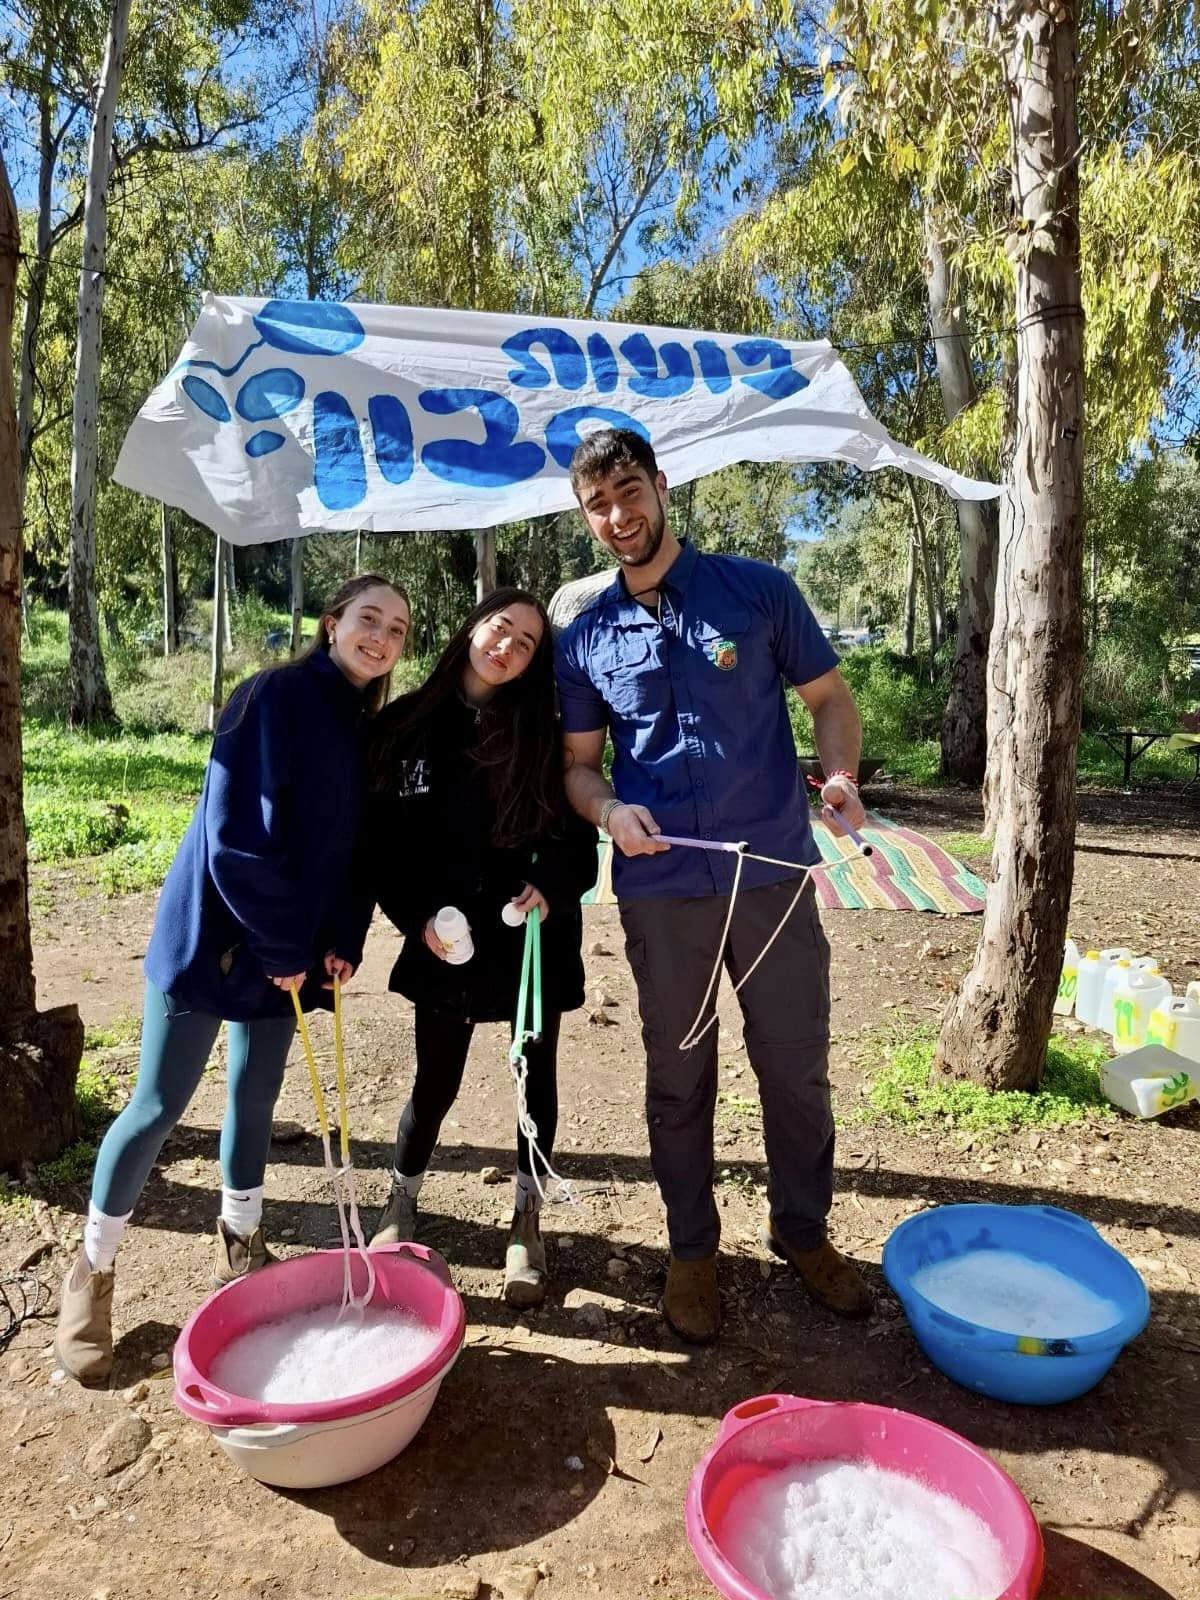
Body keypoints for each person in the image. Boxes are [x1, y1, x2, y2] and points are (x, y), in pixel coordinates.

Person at [554, 427, 872, 1345]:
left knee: (795, 1064)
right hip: (663, 892)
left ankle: (802, 1231)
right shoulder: (587, 637)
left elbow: (830, 700)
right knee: (679, 1074)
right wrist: (609, 810)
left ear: (661, 485)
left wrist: (839, 776)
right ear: (587, 519)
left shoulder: (758, 592)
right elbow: (579, 767)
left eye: (629, 491)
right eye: (598, 505)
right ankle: (691, 1249)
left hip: (771, 875)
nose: (618, 516)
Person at [54, 575, 412, 1387]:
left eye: (397, 629)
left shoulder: (367, 726)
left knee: (255, 1097)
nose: (382, 638)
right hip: (214, 940)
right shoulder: (271, 698)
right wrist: (282, 942)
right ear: (331, 624)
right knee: (157, 1105)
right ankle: (92, 1272)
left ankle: (240, 1244)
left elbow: (358, 851)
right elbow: (233, 837)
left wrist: (343, 937)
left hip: (290, 953)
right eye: (368, 619)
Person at [362, 588, 597, 1308]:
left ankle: (527, 1216)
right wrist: (415, 920)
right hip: (444, 940)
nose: (508, 648)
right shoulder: (404, 726)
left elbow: (579, 849)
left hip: (530, 940)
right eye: (501, 629)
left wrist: (549, 887)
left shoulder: (545, 735)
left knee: (535, 1076)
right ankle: (400, 1198)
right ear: (471, 627)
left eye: (527, 643)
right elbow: (380, 848)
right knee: (435, 1079)